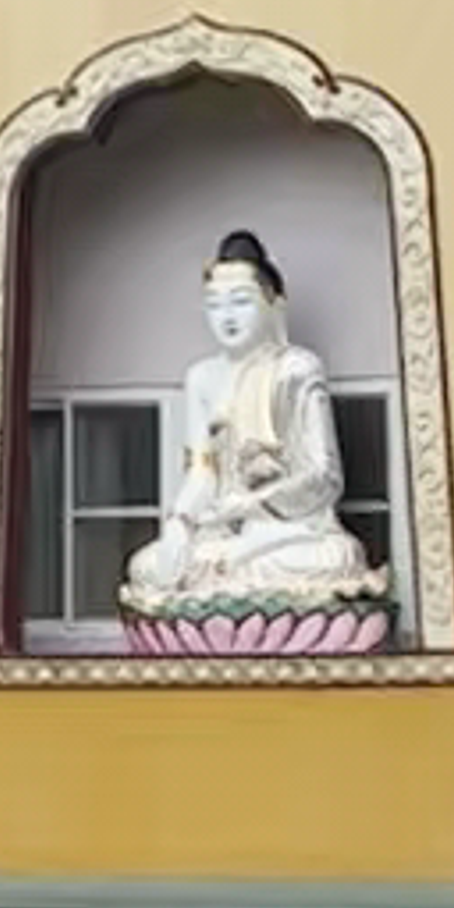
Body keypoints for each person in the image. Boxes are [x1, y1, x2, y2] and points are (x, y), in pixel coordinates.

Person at [118, 233, 387, 632]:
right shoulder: (202, 378)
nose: (226, 316)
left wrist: (247, 508)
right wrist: (180, 524)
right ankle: (229, 575)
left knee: (338, 559)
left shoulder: (297, 368)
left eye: (241, 302)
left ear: (274, 305)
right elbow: (202, 472)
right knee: (147, 567)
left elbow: (325, 477)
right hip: (221, 532)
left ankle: (235, 585)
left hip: (290, 530)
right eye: (214, 305)